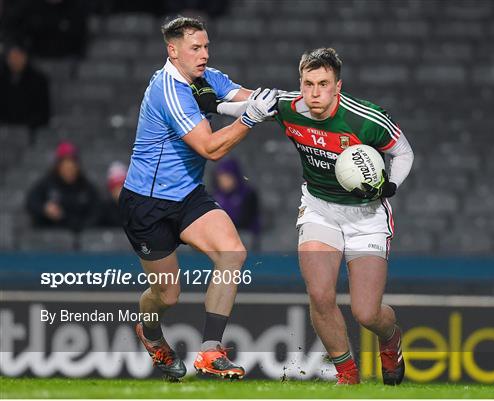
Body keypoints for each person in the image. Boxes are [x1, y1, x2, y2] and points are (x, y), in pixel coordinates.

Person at [195, 48, 414, 385]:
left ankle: (390, 339)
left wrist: (391, 185)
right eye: (308, 83)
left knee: (366, 312)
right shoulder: (289, 106)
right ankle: (347, 375)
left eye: (323, 84)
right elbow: (252, 107)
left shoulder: (366, 119)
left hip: (366, 216)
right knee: (320, 295)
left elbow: (402, 152)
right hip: (319, 208)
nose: (314, 92)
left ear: (337, 86)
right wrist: (216, 105)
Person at [119, 16, 277, 381]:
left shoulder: (204, 78)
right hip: (147, 204)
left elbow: (250, 98)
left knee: (232, 252)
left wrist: (304, 103)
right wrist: (249, 119)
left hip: (188, 195)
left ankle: (209, 351)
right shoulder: (169, 90)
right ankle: (150, 329)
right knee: (167, 294)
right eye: (195, 48)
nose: (204, 54)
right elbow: (210, 148)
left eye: (206, 46)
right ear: (172, 51)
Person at [26, 141, 100, 231]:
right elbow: (31, 201)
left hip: (79, 235)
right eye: (65, 166)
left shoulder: (86, 186)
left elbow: (97, 211)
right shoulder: (47, 183)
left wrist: (82, 226)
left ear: (77, 166)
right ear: (58, 167)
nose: (69, 171)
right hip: (51, 234)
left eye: (72, 166)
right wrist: (45, 208)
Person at [0, 43, 50, 141]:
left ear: (25, 57)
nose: (15, 60)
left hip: (30, 129)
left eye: (18, 56)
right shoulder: (2, 80)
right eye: (12, 57)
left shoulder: (38, 80)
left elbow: (43, 111)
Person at [212, 159, 261, 250]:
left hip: (243, 233)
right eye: (221, 178)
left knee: (245, 238)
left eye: (227, 178)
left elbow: (247, 219)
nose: (224, 182)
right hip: (222, 234)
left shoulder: (248, 194)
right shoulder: (215, 196)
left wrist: (228, 227)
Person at [99, 161, 127, 227]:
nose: (119, 191)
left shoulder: (136, 209)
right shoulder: (103, 210)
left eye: (122, 186)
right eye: (115, 187)